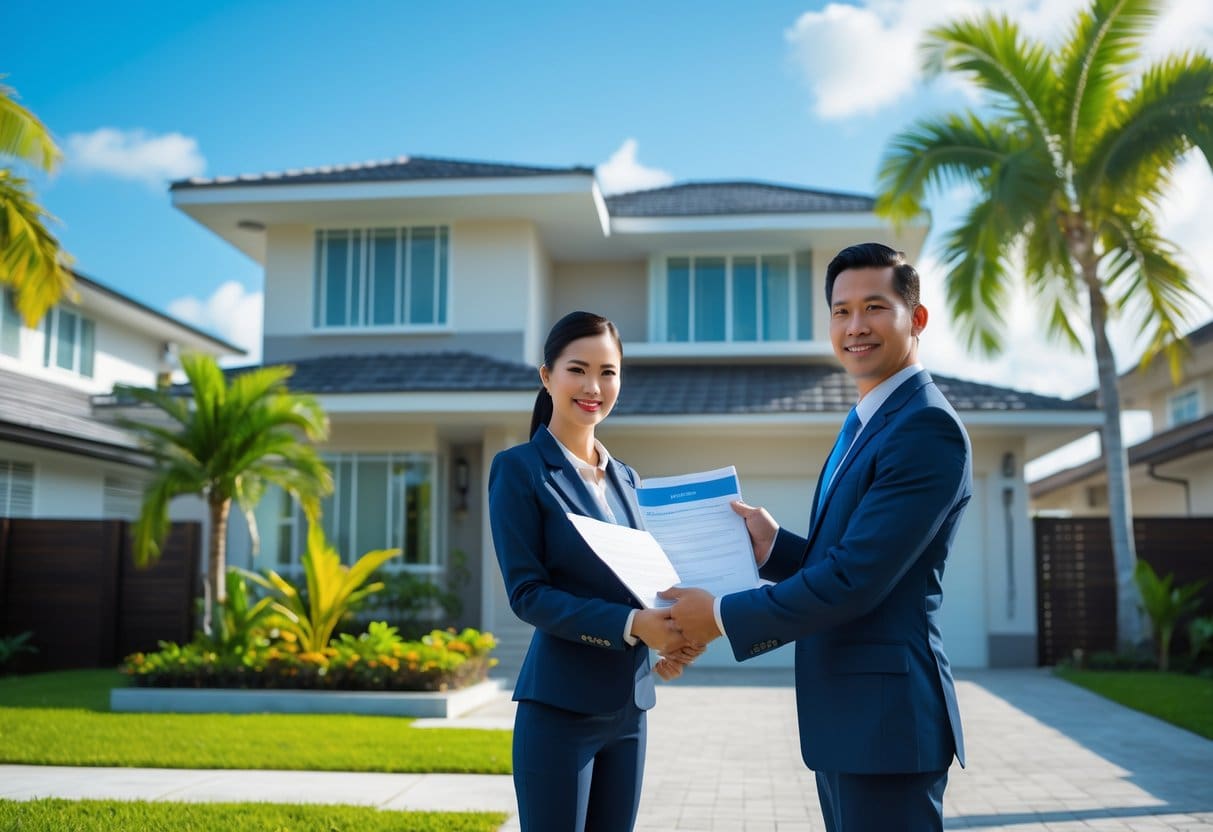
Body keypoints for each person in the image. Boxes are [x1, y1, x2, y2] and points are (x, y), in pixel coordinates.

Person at [661, 243, 970, 832]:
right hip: (851, 720)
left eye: (875, 307)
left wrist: (722, 616)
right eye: (840, 310)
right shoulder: (866, 422)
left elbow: (856, 580)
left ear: (918, 318)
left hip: (887, 725)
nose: (855, 327)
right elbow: (857, 561)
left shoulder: (925, 428)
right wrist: (775, 548)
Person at [489, 310, 696, 832]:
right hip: (559, 710)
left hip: (630, 708)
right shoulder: (519, 470)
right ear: (546, 376)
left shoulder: (627, 479)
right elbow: (528, 594)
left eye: (608, 372)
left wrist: (672, 635)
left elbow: (642, 583)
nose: (593, 386)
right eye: (577, 369)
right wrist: (631, 627)